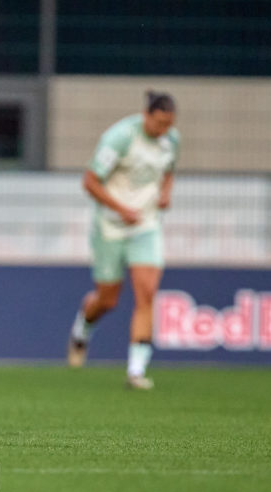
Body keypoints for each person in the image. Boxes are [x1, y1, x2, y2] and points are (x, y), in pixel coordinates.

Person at [67, 90, 179, 390]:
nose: (163, 130)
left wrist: (166, 193)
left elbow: (168, 170)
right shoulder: (120, 138)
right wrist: (121, 209)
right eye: (158, 123)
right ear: (146, 116)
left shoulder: (171, 140)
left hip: (146, 226)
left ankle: (136, 370)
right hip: (111, 227)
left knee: (147, 294)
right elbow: (90, 181)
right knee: (108, 299)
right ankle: (83, 326)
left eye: (169, 124)